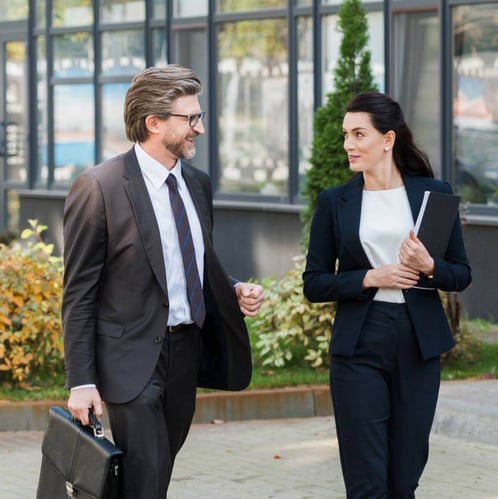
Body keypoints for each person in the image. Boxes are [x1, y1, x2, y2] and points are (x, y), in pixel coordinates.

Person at [62, 64, 264, 499]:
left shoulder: (197, 184)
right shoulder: (99, 187)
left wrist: (231, 288)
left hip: (185, 353)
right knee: (148, 477)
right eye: (190, 119)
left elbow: (193, 259)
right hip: (128, 359)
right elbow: (78, 293)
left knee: (150, 477)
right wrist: (81, 381)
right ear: (154, 123)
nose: (200, 128)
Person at [303, 92, 471, 498]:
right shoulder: (335, 202)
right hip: (359, 343)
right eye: (346, 135)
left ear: (388, 139)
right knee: (366, 481)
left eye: (359, 134)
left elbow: (461, 274)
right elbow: (315, 282)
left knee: (404, 479)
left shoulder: (433, 193)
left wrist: (430, 265)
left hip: (418, 343)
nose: (348, 144)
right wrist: (369, 277)